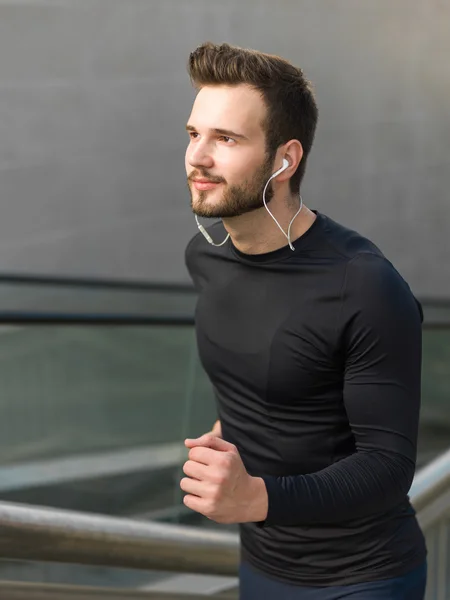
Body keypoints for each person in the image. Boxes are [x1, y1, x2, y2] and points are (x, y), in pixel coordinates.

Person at [180, 41, 427, 599]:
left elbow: (388, 467)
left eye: (227, 138)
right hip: (262, 565)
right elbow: (274, 384)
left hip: (363, 577)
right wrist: (230, 441)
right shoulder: (206, 258)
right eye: (194, 134)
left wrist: (256, 498)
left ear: (285, 159)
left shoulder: (364, 284)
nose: (198, 157)